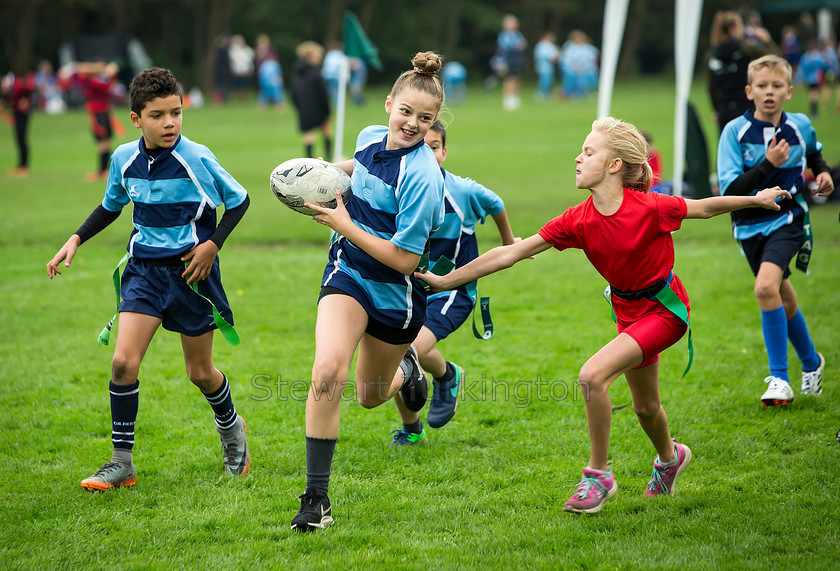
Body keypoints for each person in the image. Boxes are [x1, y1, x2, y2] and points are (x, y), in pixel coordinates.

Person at [419, 116, 791, 514]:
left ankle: (598, 475)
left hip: (665, 311)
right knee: (646, 407)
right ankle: (671, 458)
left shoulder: (650, 207)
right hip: (627, 312)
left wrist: (756, 199)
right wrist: (446, 282)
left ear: (614, 165)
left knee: (592, 376)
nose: (577, 158)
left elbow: (703, 207)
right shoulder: (577, 219)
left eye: (589, 152)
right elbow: (512, 252)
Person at [45, 67, 252, 491]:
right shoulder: (123, 158)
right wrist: (76, 238)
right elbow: (111, 205)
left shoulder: (195, 157)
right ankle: (123, 463)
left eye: (176, 112)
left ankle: (233, 433)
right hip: (143, 272)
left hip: (191, 275)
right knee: (123, 362)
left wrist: (212, 245)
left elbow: (239, 201)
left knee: (200, 372)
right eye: (158, 115)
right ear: (136, 118)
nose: (170, 122)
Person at [289, 51, 446, 531]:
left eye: (426, 118)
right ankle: (316, 500)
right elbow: (357, 167)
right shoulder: (368, 139)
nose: (413, 123)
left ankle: (408, 368)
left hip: (395, 295)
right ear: (388, 105)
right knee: (326, 369)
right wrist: (317, 171)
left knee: (370, 396)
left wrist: (343, 221)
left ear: (434, 122)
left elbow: (405, 260)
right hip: (348, 271)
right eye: (406, 111)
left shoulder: (424, 177)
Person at [717, 55, 833, 407]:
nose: (770, 92)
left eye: (777, 86)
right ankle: (812, 362)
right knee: (782, 295)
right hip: (749, 225)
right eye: (763, 86)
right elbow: (729, 190)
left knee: (765, 287)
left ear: (789, 91)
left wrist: (823, 172)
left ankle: (779, 378)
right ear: (750, 91)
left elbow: (814, 152)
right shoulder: (734, 132)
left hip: (788, 219)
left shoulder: (799, 125)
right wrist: (769, 164)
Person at [417, 121, 517, 429]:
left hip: (452, 292)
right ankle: (412, 430)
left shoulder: (462, 191)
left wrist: (509, 242)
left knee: (412, 350)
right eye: (419, 147)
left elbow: (496, 203)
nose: (426, 154)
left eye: (433, 147)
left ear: (444, 152)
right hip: (412, 290)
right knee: (395, 355)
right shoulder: (401, 190)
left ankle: (447, 375)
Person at [707, 10, 778, 134]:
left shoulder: (712, 54)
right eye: (740, 25)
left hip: (725, 110)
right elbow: (775, 59)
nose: (742, 29)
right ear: (732, 29)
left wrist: (717, 109)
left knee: (729, 149)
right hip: (746, 108)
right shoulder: (744, 48)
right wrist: (766, 40)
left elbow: (711, 87)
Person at [73, 61, 119, 182]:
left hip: (103, 113)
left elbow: (107, 86)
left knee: (105, 143)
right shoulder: (92, 81)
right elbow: (81, 70)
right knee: (103, 143)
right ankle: (103, 170)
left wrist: (109, 74)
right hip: (98, 114)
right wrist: (107, 73)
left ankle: (104, 170)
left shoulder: (97, 80)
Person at [290, 41, 331, 159]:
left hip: (303, 109)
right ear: (310, 56)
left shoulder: (296, 74)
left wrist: (299, 108)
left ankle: (309, 161)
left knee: (308, 135)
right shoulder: (316, 74)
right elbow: (323, 94)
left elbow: (293, 95)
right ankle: (328, 158)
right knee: (326, 131)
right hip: (319, 109)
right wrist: (327, 112)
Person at [1, 70, 36, 177]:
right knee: (18, 139)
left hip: (22, 113)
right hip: (17, 112)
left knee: (22, 138)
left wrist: (25, 100)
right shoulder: (11, 91)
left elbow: (31, 88)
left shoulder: (18, 85)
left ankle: (24, 166)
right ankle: (20, 165)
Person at [497, 14, 527, 110]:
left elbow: (523, 45)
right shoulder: (503, 35)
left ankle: (515, 97)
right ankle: (508, 98)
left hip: (517, 59)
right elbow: (504, 47)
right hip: (507, 59)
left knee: (516, 78)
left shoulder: (518, 35)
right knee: (509, 78)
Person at [560, 30, 599, 100]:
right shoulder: (570, 47)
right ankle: (569, 94)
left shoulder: (587, 47)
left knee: (584, 82)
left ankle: (581, 94)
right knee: (571, 82)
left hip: (584, 68)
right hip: (571, 68)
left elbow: (592, 56)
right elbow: (568, 59)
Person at [534, 31, 561, 101]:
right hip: (543, 67)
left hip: (549, 67)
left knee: (549, 81)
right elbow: (548, 56)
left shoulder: (549, 45)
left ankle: (547, 94)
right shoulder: (542, 45)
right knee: (544, 81)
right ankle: (541, 94)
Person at [228, 34, 255, 101]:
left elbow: (250, 60)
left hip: (245, 70)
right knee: (237, 85)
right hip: (236, 71)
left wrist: (251, 68)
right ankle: (238, 97)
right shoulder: (233, 50)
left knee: (244, 85)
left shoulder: (248, 50)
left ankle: (243, 98)